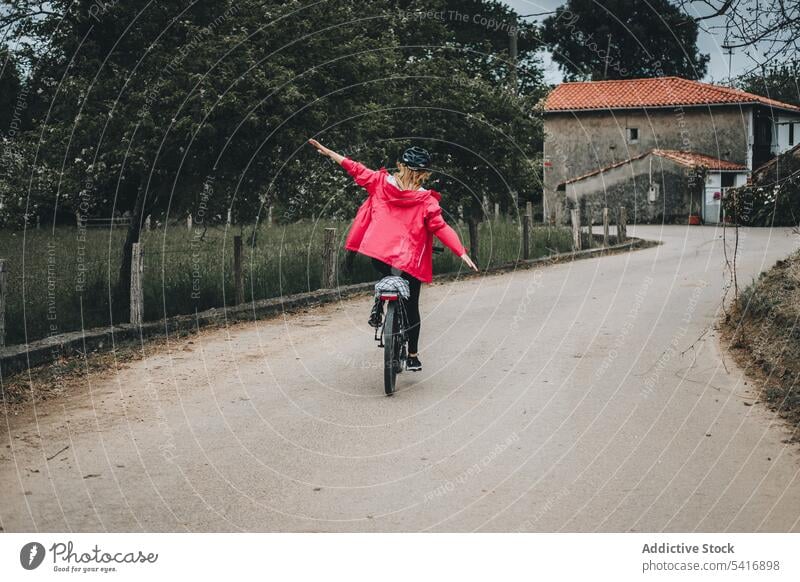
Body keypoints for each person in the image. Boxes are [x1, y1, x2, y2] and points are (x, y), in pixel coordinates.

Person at [308, 139, 478, 371]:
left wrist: (328, 152)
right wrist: (461, 251)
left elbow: (354, 167)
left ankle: (379, 302)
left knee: (385, 271)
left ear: (400, 165)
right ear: (424, 174)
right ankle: (413, 355)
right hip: (409, 262)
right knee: (412, 307)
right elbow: (440, 227)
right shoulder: (426, 200)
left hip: (380, 255)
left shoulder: (379, 182)